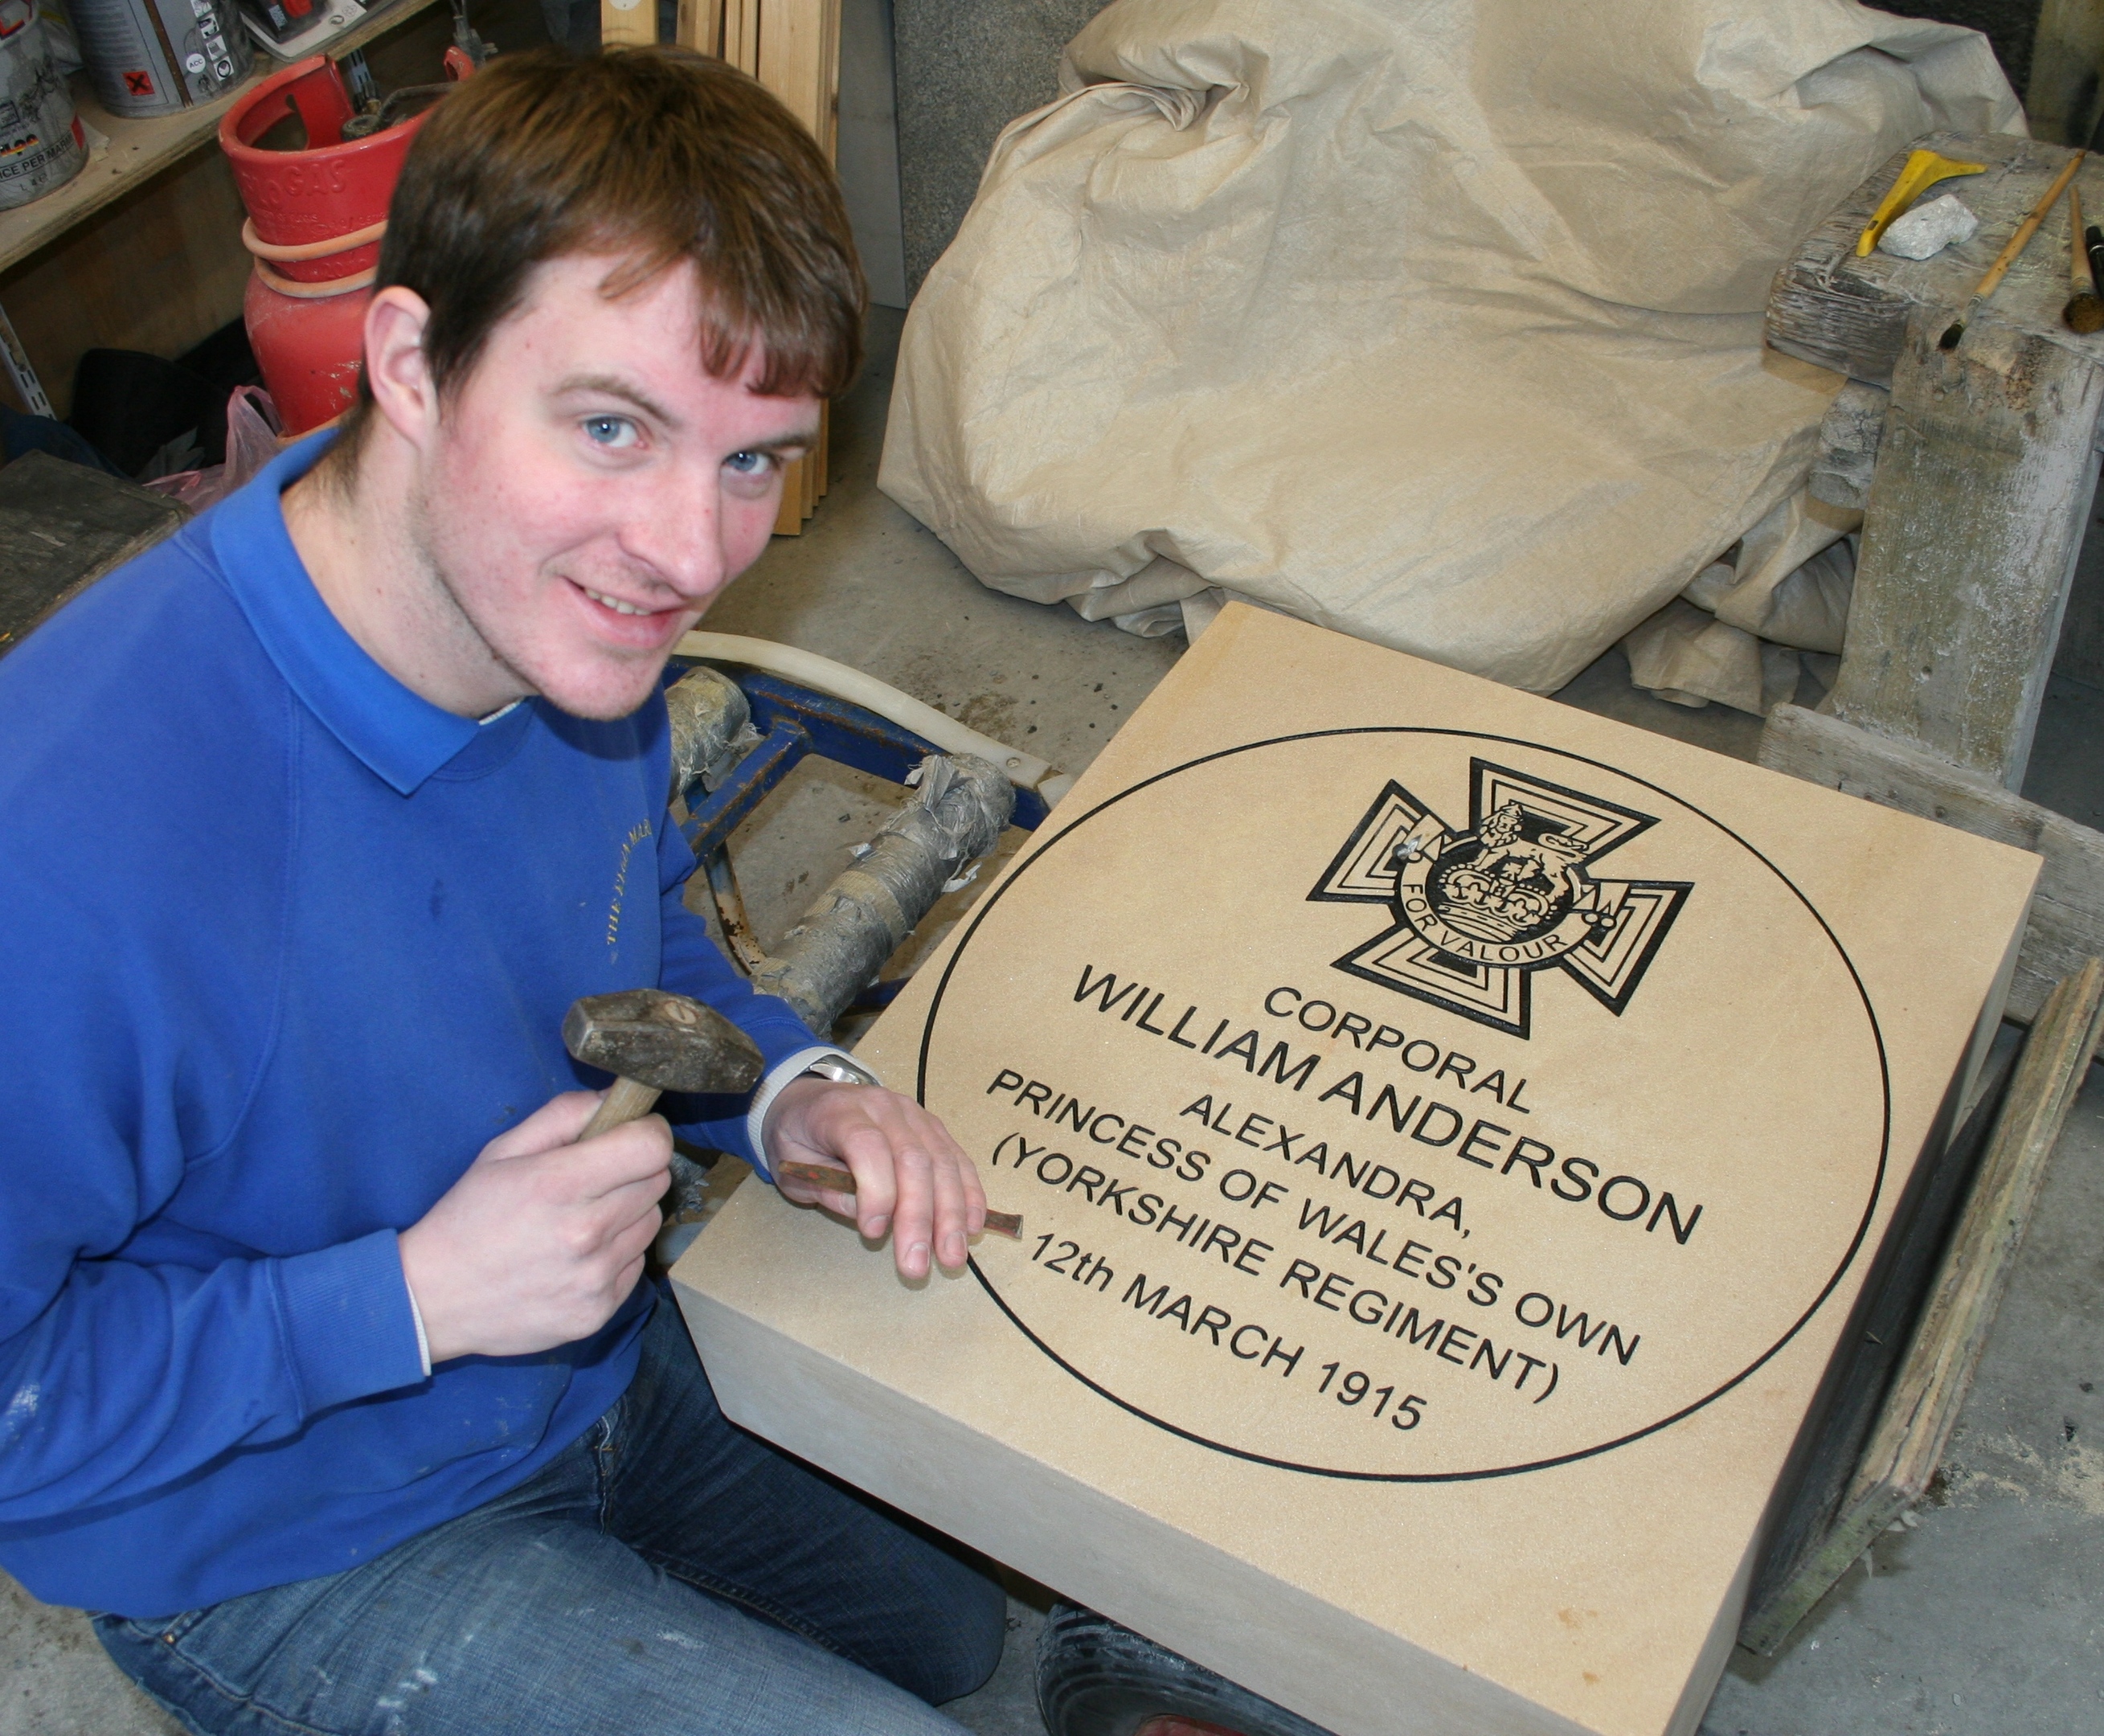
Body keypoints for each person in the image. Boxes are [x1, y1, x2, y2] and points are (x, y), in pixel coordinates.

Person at [0, 46, 1007, 1736]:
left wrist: (787, 1093)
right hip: (281, 1539)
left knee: (973, 1642)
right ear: (408, 360)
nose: (687, 552)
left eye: (752, 458)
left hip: (577, 1358)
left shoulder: (559, 629)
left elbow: (634, 930)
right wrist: (402, 1302)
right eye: (610, 425)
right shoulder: (68, 849)